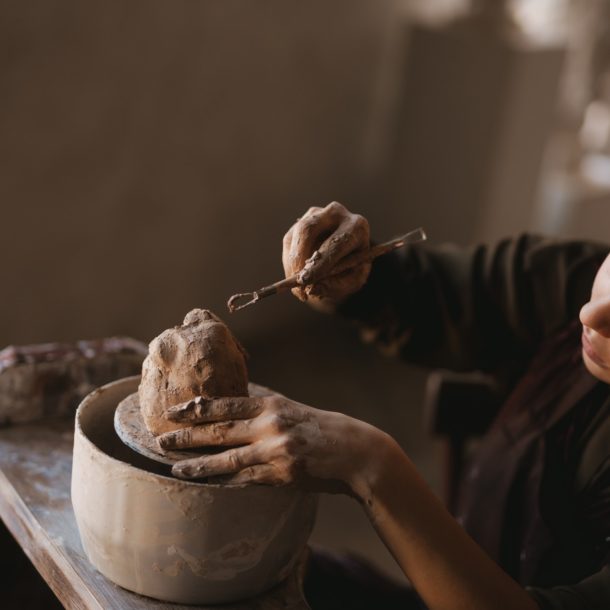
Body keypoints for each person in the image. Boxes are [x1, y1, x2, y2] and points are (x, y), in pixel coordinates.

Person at [158, 202, 610, 610]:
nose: (590, 315)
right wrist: (354, 268)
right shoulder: (575, 277)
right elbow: (430, 292)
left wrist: (371, 466)